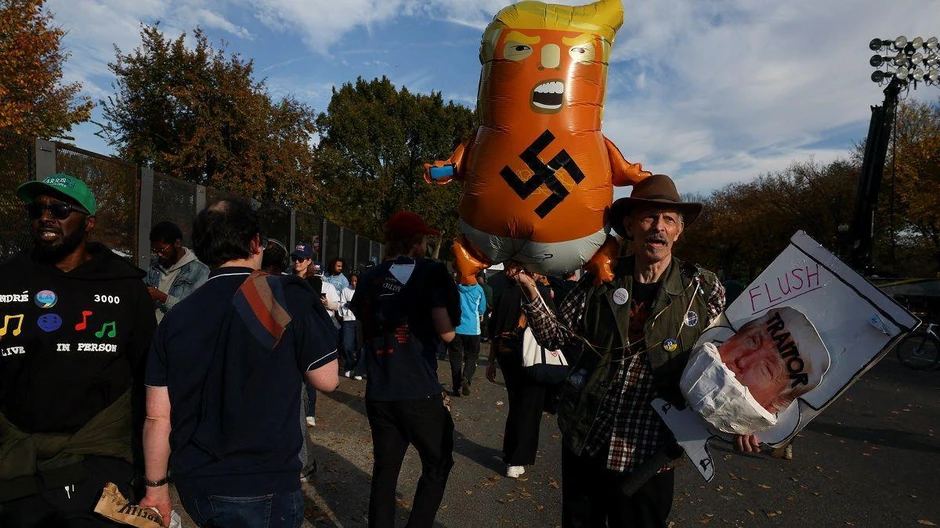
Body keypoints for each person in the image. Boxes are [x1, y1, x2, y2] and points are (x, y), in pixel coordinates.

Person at [515, 174, 754, 527]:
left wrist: (744, 415)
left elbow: (729, 362)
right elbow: (555, 337)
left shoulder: (702, 289)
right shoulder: (600, 279)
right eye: (648, 217)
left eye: (668, 219)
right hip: (588, 441)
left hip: (652, 453)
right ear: (629, 226)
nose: (658, 227)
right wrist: (528, 288)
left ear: (678, 231)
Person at [139, 200, 339, 526]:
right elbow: (327, 379)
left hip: (196, 482)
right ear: (256, 243)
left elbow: (157, 416)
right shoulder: (283, 295)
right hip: (265, 478)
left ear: (201, 248)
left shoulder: (176, 318)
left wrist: (156, 489)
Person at [0, 174, 156, 526]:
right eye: (37, 209)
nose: (45, 216)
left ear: (89, 222)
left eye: (59, 208)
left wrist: (152, 473)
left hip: (98, 458)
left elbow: (149, 374)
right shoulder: (8, 277)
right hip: (17, 459)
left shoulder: (125, 285)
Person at [350, 211, 460, 528]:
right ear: (415, 243)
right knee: (438, 462)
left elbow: (360, 334)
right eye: (424, 239)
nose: (425, 245)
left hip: (380, 390)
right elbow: (447, 332)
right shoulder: (431, 271)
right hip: (418, 389)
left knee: (386, 469)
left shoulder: (370, 276)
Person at [485, 267, 554, 479]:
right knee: (529, 407)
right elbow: (552, 326)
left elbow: (494, 326)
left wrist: (491, 359)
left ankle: (512, 452)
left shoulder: (506, 292)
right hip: (532, 356)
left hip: (506, 354)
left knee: (517, 404)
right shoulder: (537, 293)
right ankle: (517, 458)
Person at [292, 242, 340, 427]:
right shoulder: (286, 278)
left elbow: (310, 306)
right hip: (291, 330)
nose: (297, 261)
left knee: (309, 373)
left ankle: (310, 411)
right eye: (295, 258)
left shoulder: (315, 281)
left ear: (309, 260)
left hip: (309, 331)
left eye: (301, 258)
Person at [145, 221, 210, 323]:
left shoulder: (200, 271)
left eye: (162, 249)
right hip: (155, 333)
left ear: (178, 243)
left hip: (179, 334)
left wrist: (164, 298)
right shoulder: (155, 266)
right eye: (155, 250)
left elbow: (197, 311)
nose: (159, 255)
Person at [449, 277, 486, 396]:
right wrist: (481, 314)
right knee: (472, 356)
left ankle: (456, 386)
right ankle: (466, 377)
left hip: (456, 328)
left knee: (455, 358)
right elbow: (482, 307)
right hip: (473, 329)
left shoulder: (455, 288)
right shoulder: (479, 289)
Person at [338, 273, 365, 380]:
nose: (353, 283)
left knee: (361, 347)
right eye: (352, 281)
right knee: (346, 345)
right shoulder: (345, 290)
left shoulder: (363, 290)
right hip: (348, 320)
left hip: (360, 321)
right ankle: (349, 365)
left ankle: (359, 370)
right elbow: (341, 303)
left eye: (356, 281)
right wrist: (345, 308)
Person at [479, 272, 494, 342]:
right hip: (486, 309)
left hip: (480, 309)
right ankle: (484, 336)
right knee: (485, 323)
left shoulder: (477, 287)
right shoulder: (488, 287)